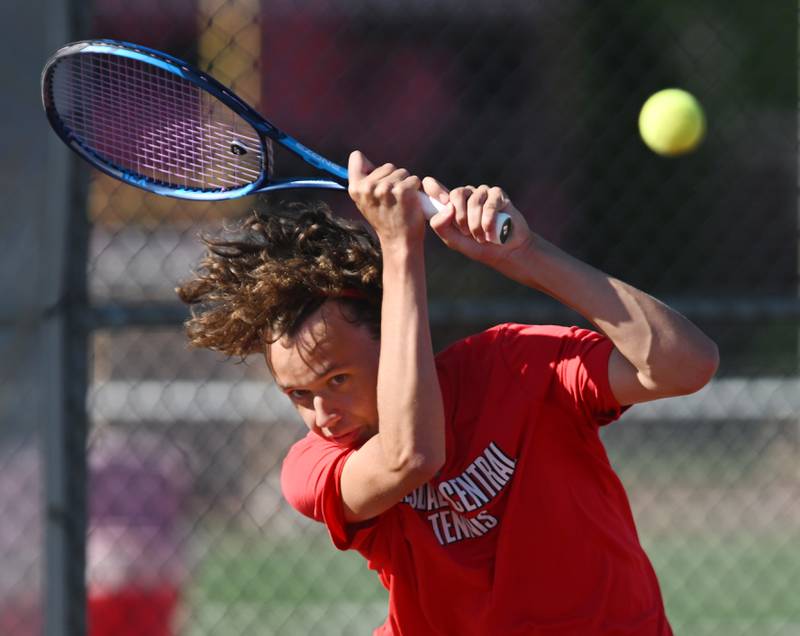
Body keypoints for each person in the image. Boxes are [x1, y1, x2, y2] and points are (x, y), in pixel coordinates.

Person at [177, 151, 719, 635]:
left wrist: (524, 255)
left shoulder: (515, 366)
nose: (321, 414)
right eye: (298, 395)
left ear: (393, 341)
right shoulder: (314, 468)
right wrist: (399, 245)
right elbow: (411, 456)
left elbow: (684, 365)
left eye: (336, 380)